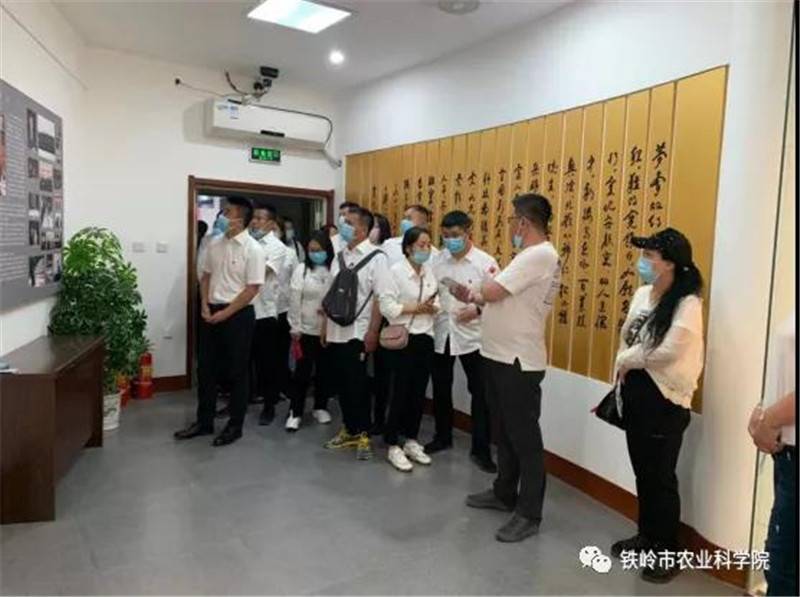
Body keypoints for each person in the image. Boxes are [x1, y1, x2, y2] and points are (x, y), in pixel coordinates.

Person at [456, 193, 560, 543]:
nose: (510, 226)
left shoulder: (539, 255)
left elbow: (493, 290)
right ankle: (504, 492)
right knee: (504, 433)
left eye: (512, 220)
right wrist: (479, 300)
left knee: (524, 439)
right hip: (498, 355)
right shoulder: (527, 256)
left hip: (518, 361)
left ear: (523, 222)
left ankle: (529, 513)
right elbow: (500, 298)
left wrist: (478, 293)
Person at [610, 227, 705, 583]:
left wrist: (628, 359)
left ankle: (667, 549)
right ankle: (646, 537)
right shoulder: (642, 294)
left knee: (661, 477)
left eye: (650, 256)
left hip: (664, 400)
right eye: (644, 255)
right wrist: (625, 364)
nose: (643, 262)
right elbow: (628, 337)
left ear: (670, 264)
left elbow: (669, 350)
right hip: (636, 393)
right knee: (643, 472)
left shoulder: (687, 304)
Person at [174, 196, 264, 446]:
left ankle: (235, 426)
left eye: (227, 212)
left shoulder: (253, 249)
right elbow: (205, 277)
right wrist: (204, 304)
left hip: (238, 314)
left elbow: (252, 289)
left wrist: (226, 313)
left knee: (237, 371)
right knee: (206, 369)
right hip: (210, 310)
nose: (222, 217)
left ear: (241, 219)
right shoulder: (214, 244)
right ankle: (204, 422)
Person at [429, 210, 498, 473]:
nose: (450, 241)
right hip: (443, 332)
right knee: (441, 387)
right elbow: (430, 290)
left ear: (468, 232)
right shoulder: (438, 260)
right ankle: (442, 436)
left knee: (480, 393)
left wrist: (477, 310)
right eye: (446, 236)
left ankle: (481, 450)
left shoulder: (485, 263)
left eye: (455, 235)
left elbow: (498, 300)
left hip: (474, 337)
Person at [322, 206, 389, 461]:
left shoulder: (377, 258)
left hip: (358, 332)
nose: (344, 225)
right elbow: (330, 295)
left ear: (362, 229)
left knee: (358, 385)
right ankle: (349, 429)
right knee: (341, 383)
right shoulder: (339, 256)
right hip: (336, 330)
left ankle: (363, 434)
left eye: (349, 222)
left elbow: (380, 298)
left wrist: (373, 332)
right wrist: (324, 328)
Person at [378, 227, 440, 471]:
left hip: (425, 337)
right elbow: (387, 306)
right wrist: (415, 308)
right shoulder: (395, 272)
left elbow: (438, 302)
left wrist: (432, 307)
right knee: (399, 392)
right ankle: (392, 443)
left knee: (418, 393)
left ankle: (412, 440)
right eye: (421, 245)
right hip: (402, 338)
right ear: (408, 248)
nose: (426, 249)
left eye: (428, 244)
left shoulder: (429, 272)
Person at [749, 311, 796, 597]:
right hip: (786, 451)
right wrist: (762, 411)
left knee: (783, 565)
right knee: (782, 560)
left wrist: (769, 420)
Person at [285, 231, 335, 431]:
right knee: (302, 373)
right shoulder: (301, 270)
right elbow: (294, 299)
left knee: (325, 371)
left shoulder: (334, 269)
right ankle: (295, 412)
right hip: (305, 329)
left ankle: (320, 407)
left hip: (328, 330)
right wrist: (295, 326)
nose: (315, 254)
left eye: (319, 250)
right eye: (311, 250)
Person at [248, 205, 288, 423]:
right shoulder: (246, 242)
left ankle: (269, 406)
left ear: (271, 224)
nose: (255, 222)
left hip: (264, 312)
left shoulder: (277, 247)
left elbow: (260, 272)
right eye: (253, 218)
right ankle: (240, 402)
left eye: (260, 218)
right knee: (242, 362)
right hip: (243, 310)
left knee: (267, 363)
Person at [368, 212, 393, 435]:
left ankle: (383, 420)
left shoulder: (390, 251)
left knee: (384, 375)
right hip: (362, 320)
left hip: (386, 318)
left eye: (375, 226)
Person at [274, 214, 299, 400]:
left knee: (281, 352)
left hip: (283, 309)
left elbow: (296, 281)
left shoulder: (290, 253)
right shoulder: (255, 250)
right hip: (259, 310)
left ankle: (282, 386)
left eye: (275, 229)